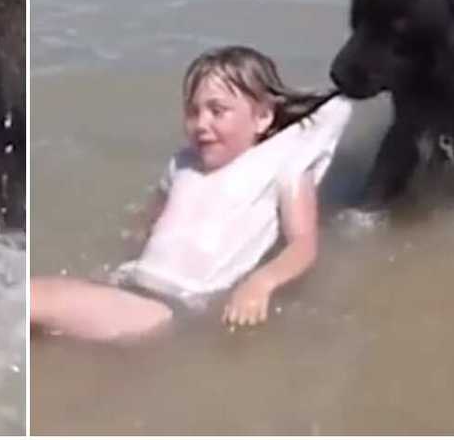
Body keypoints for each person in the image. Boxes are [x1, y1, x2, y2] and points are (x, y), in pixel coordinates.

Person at [31, 45, 351, 341]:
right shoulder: (182, 164)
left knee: (32, 298)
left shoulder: (285, 166)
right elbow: (148, 223)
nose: (201, 123)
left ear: (263, 116)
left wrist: (260, 284)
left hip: (169, 306)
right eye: (193, 111)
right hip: (133, 290)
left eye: (217, 111)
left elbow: (304, 244)